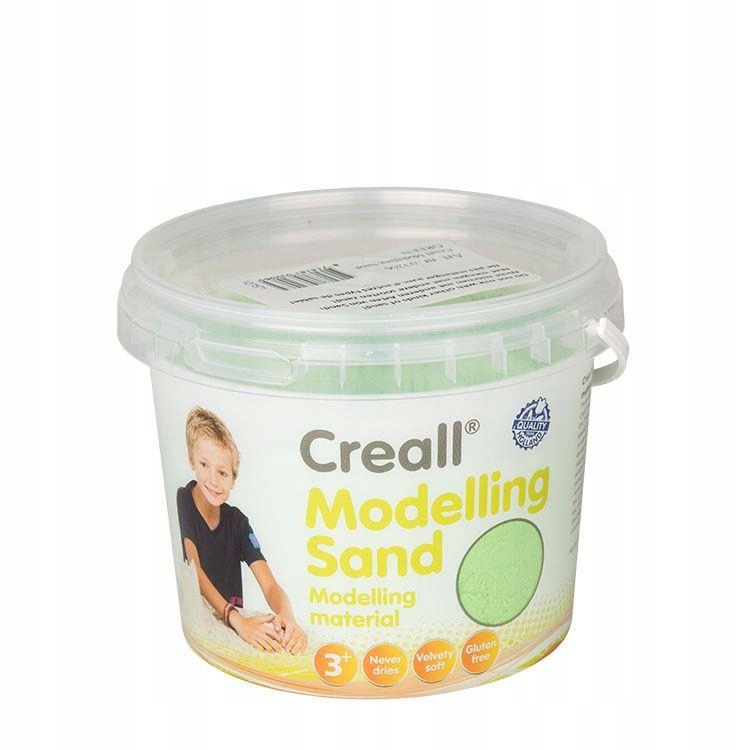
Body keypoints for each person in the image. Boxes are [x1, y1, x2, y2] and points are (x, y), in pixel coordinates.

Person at [177, 406, 307, 654]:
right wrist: (236, 619)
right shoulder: (184, 499)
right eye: (204, 464)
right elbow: (194, 569)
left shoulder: (237, 522)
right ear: (191, 460)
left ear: (233, 481)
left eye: (223, 473)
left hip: (235, 622)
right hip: (212, 619)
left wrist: (288, 617)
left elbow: (270, 586)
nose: (213, 480)